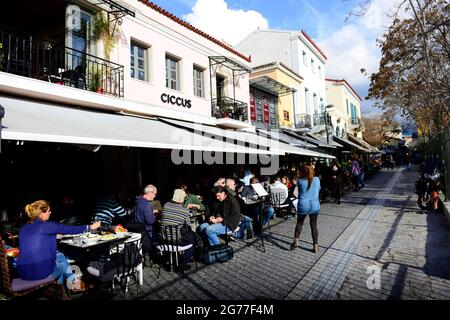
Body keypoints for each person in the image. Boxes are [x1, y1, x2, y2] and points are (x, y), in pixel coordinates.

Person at [17, 200, 101, 292]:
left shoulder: (23, 228)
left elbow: (38, 236)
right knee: (61, 266)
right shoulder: (48, 225)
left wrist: (53, 235)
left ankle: (70, 285)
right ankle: (62, 291)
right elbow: (69, 229)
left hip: (23, 272)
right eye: (48, 211)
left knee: (59, 255)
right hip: (40, 273)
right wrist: (90, 227)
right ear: (41, 214)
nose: (50, 212)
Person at [160, 189, 195, 271]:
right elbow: (188, 225)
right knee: (193, 242)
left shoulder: (165, 206)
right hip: (177, 240)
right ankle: (183, 264)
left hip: (164, 239)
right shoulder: (184, 211)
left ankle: (174, 260)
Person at [290, 165, 321, 253]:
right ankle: (315, 246)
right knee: (313, 225)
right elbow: (318, 190)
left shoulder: (300, 181)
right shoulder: (317, 179)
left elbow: (298, 192)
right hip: (314, 205)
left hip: (303, 205)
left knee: (300, 223)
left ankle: (296, 241)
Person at [131, 184, 157, 252]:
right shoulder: (146, 205)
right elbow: (150, 221)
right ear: (150, 193)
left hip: (136, 231)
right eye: (155, 194)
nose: (155, 196)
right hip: (146, 232)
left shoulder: (137, 201)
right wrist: (154, 215)